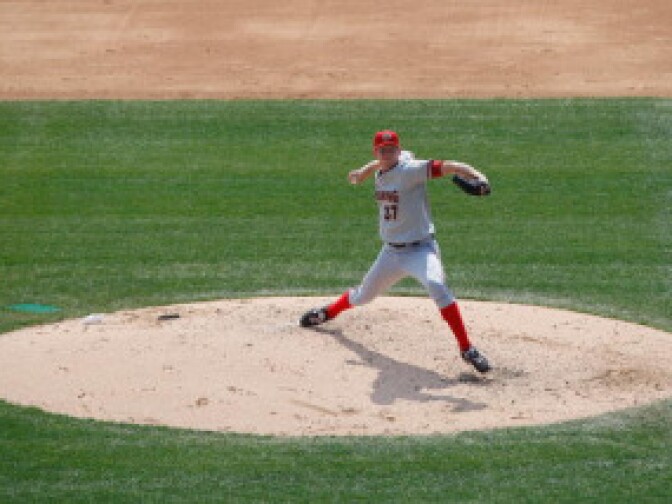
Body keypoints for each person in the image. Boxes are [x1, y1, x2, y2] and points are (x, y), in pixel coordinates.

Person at [299, 130, 492, 373]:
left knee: (437, 285)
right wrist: (361, 173)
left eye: (392, 149)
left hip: (421, 250)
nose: (387, 154)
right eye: (383, 150)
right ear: (376, 152)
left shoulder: (410, 170)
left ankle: (467, 348)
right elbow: (376, 165)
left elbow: (451, 166)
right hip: (390, 254)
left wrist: (479, 176)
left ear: (399, 151)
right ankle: (327, 313)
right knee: (363, 296)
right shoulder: (382, 167)